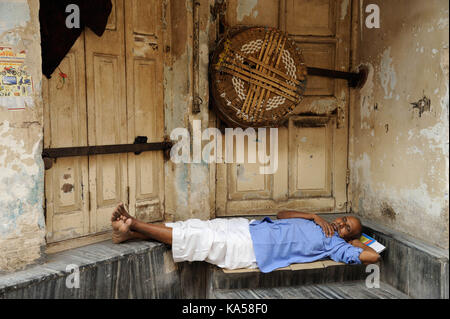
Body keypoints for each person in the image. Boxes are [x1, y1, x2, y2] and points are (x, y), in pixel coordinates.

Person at [111, 203, 380, 273]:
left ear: (348, 238)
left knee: (199, 239)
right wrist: (312, 216)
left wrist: (354, 244)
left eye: (347, 228)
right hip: (250, 227)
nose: (340, 223)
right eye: (344, 219)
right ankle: (130, 233)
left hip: (253, 248)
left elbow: (373, 256)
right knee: (195, 226)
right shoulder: (319, 222)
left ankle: (133, 223)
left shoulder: (335, 244)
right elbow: (281, 213)